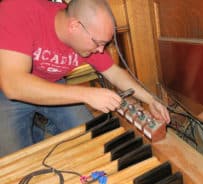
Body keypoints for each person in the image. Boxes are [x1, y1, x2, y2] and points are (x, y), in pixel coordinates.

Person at [0, 0, 170, 157]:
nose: (101, 50)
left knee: (93, 141)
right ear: (74, 26)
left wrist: (150, 99)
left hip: (52, 83)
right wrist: (86, 94)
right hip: (7, 90)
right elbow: (13, 85)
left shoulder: (87, 35)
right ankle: (39, 128)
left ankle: (43, 124)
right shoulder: (19, 9)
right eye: (98, 43)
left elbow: (114, 72)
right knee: (15, 160)